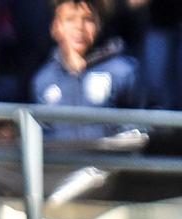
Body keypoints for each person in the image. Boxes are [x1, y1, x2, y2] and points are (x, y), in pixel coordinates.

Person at [34, 0, 145, 143]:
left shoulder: (124, 71)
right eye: (70, 19)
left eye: (88, 19)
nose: (79, 27)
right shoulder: (44, 80)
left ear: (100, 25)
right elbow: (43, 134)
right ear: (56, 27)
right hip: (65, 164)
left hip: (110, 163)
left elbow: (141, 125)